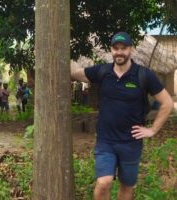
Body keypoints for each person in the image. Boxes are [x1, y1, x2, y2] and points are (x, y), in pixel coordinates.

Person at [71, 32, 173, 200]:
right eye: (115, 48)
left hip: (131, 143)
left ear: (130, 50)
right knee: (104, 183)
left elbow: (167, 103)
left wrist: (153, 130)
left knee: (127, 187)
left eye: (123, 48)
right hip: (106, 141)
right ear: (111, 50)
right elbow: (75, 73)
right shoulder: (102, 71)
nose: (119, 52)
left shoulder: (144, 75)